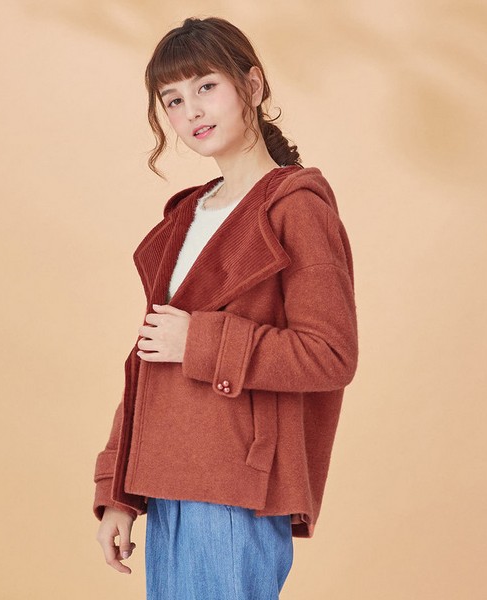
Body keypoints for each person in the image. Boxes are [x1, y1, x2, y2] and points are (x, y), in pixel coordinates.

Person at [93, 15, 358, 600]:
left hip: (236, 485)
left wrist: (200, 341)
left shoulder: (296, 207)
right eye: (173, 99)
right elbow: (150, 357)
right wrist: (117, 491)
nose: (191, 110)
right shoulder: (186, 216)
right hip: (165, 479)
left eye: (206, 86)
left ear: (253, 86)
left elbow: (330, 353)